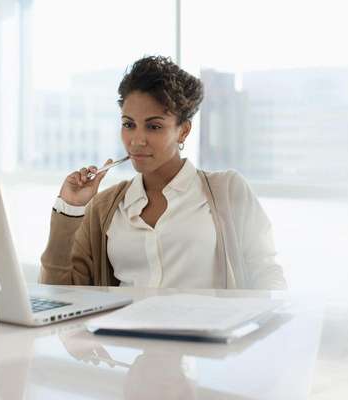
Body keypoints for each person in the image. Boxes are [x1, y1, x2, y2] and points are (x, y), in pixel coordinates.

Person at [40, 56, 286, 290]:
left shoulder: (228, 190)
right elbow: (60, 294)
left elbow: (267, 276)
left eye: (154, 126)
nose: (137, 140)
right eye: (128, 124)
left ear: (183, 131)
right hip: (121, 334)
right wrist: (71, 207)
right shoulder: (105, 207)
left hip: (204, 332)